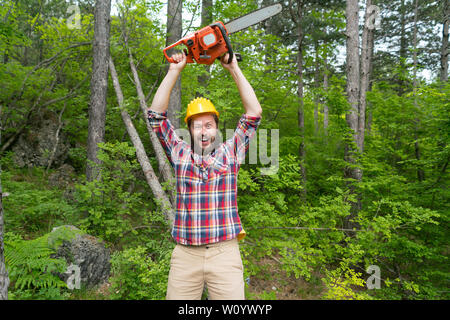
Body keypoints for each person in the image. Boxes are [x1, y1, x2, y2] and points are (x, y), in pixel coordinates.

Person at [147, 51, 262, 300]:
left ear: (216, 128)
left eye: (208, 124)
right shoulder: (179, 153)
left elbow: (253, 114)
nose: (203, 131)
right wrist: (174, 70)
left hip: (225, 254)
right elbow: (155, 116)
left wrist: (233, 68)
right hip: (186, 256)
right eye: (197, 125)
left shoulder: (231, 152)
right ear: (189, 130)